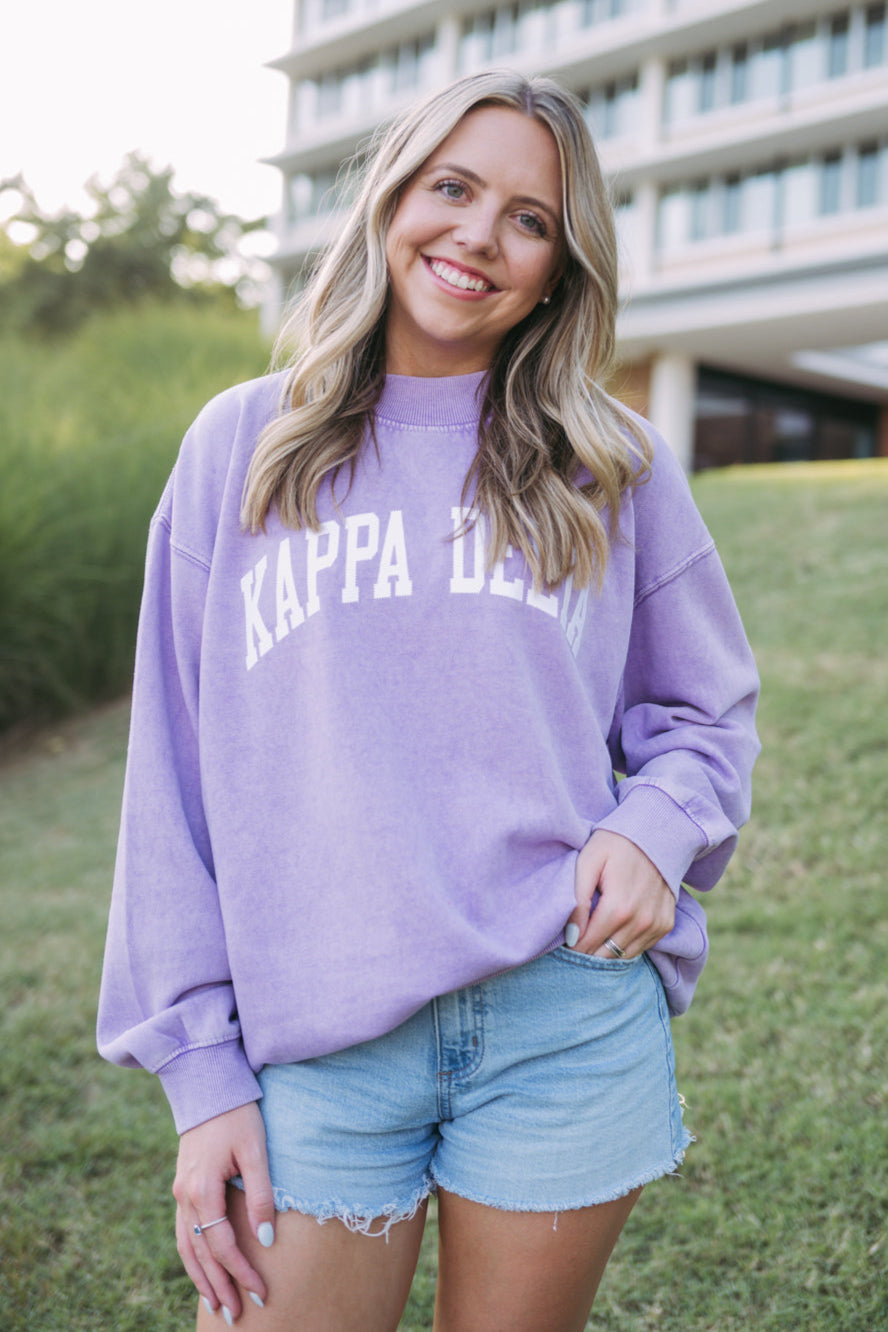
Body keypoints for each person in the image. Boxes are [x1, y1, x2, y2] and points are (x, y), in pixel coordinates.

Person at [98, 70, 760, 1330]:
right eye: (452, 188)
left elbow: (706, 713)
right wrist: (201, 1074)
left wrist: (653, 826)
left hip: (561, 1017)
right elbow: (169, 782)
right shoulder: (239, 448)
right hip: (319, 1041)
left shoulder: (607, 463)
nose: (478, 236)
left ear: (562, 266)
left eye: (529, 218)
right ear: (391, 197)